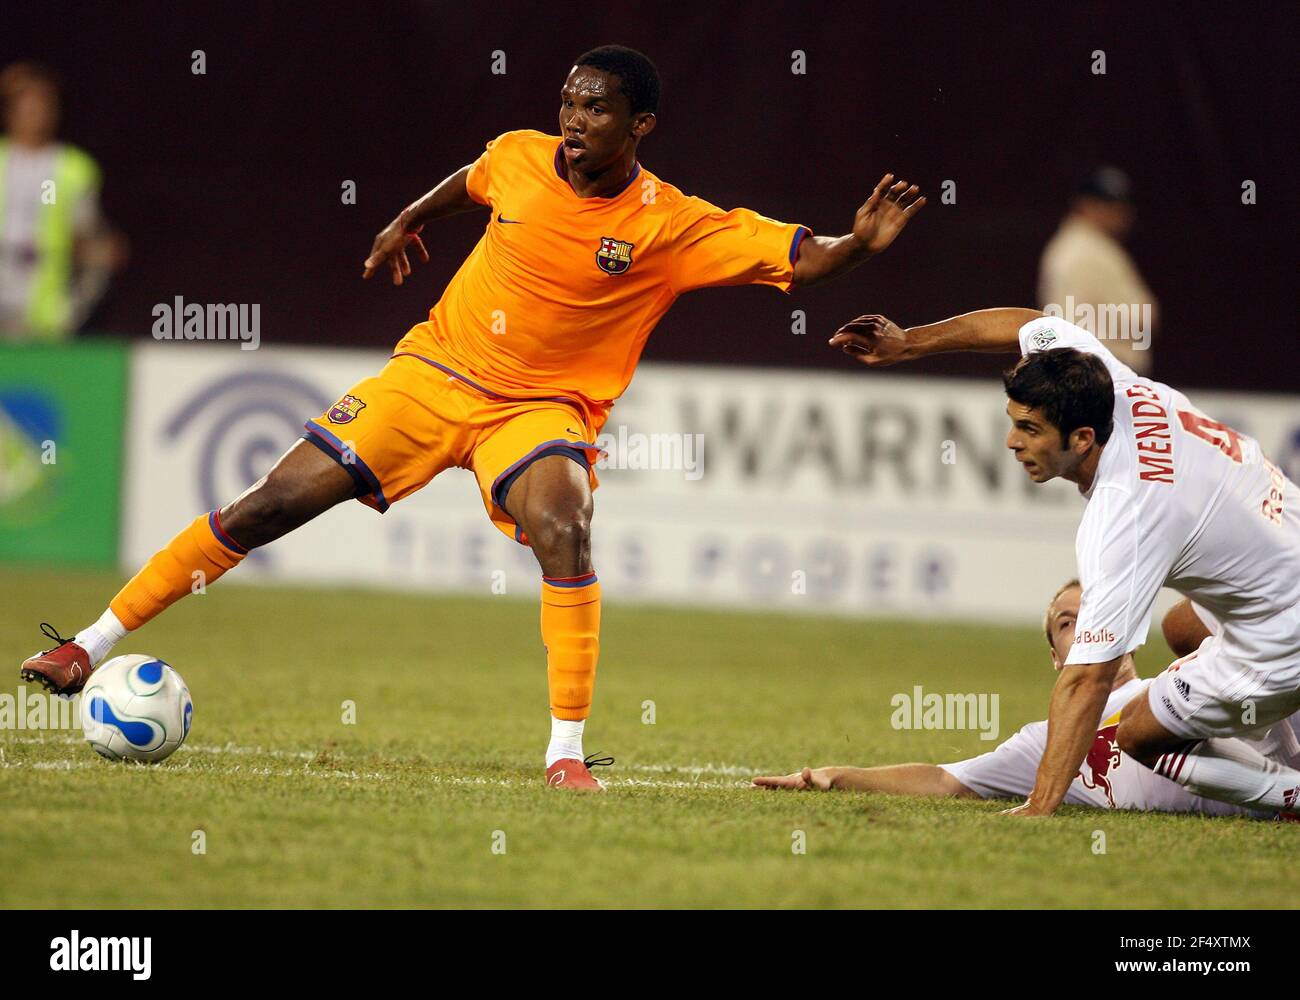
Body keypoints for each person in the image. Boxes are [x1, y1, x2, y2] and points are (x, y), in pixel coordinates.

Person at [19, 46, 926, 790]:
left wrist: (858, 246)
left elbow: (799, 261)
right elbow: (474, 178)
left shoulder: (671, 225)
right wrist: (408, 218)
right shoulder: (522, 154)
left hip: (539, 410)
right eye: (569, 100)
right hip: (434, 373)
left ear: (640, 126)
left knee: (566, 527)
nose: (574, 118)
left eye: (597, 108)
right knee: (269, 505)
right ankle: (86, 647)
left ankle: (566, 756)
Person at [825, 307, 1300, 815]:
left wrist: (1040, 803)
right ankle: (1287, 757)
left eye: (1029, 429)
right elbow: (1029, 323)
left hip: (1284, 630)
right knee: (1183, 626)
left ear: (1081, 440)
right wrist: (910, 343)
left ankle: (1287, 795)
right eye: (1012, 422)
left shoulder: (1125, 515)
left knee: (1138, 733)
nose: (1012, 441)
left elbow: (1089, 679)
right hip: (1286, 563)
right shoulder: (1101, 382)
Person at [754, 580, 1293, 818]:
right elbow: (944, 779)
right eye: (1065, 622)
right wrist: (834, 775)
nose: (1082, 625)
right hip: (1262, 799)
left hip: (1277, 722)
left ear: (1128, 634)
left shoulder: (1170, 682)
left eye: (1097, 612)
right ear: (1057, 658)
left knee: (1186, 623)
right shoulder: (1045, 744)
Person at [0, 61, 124, 340]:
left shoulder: (67, 169)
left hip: (41, 309)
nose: (34, 112)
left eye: (42, 104)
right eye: (25, 104)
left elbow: (85, 234)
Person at [1037, 167, 1157, 375]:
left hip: (1100, 371)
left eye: (1119, 206)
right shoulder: (1080, 250)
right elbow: (1135, 321)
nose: (1118, 214)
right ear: (1084, 204)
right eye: (1106, 205)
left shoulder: (1095, 246)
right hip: (1097, 372)